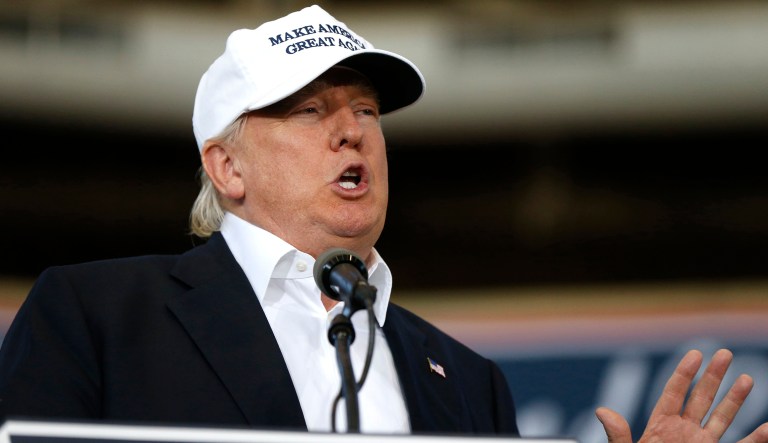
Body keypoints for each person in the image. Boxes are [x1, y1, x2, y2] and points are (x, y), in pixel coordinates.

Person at [0, 4, 766, 442]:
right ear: (227, 168)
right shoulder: (95, 316)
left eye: (365, 109)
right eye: (310, 111)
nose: (353, 131)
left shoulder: (469, 382)